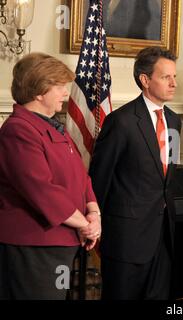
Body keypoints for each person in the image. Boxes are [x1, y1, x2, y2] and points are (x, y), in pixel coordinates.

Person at [0, 53, 101, 300]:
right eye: (59, 87)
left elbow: (81, 176)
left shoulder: (51, 125)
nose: (65, 94)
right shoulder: (18, 130)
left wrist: (94, 213)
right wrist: (85, 224)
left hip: (62, 241)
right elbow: (41, 190)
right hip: (33, 245)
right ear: (39, 91)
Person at [89, 46, 182, 300]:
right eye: (166, 77)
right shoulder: (121, 121)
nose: (174, 83)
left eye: (175, 76)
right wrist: (95, 226)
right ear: (145, 80)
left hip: (163, 236)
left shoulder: (174, 121)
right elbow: (98, 179)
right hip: (126, 240)